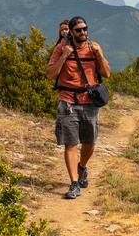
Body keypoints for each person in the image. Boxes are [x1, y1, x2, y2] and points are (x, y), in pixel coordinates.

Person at [45, 16, 111, 199]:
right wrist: (65, 56)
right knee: (70, 144)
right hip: (67, 102)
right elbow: (50, 75)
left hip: (89, 102)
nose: (83, 32)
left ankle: (82, 167)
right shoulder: (61, 48)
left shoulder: (94, 47)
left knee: (90, 143)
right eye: (78, 30)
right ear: (71, 32)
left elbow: (106, 73)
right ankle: (74, 183)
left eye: (85, 29)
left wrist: (99, 55)